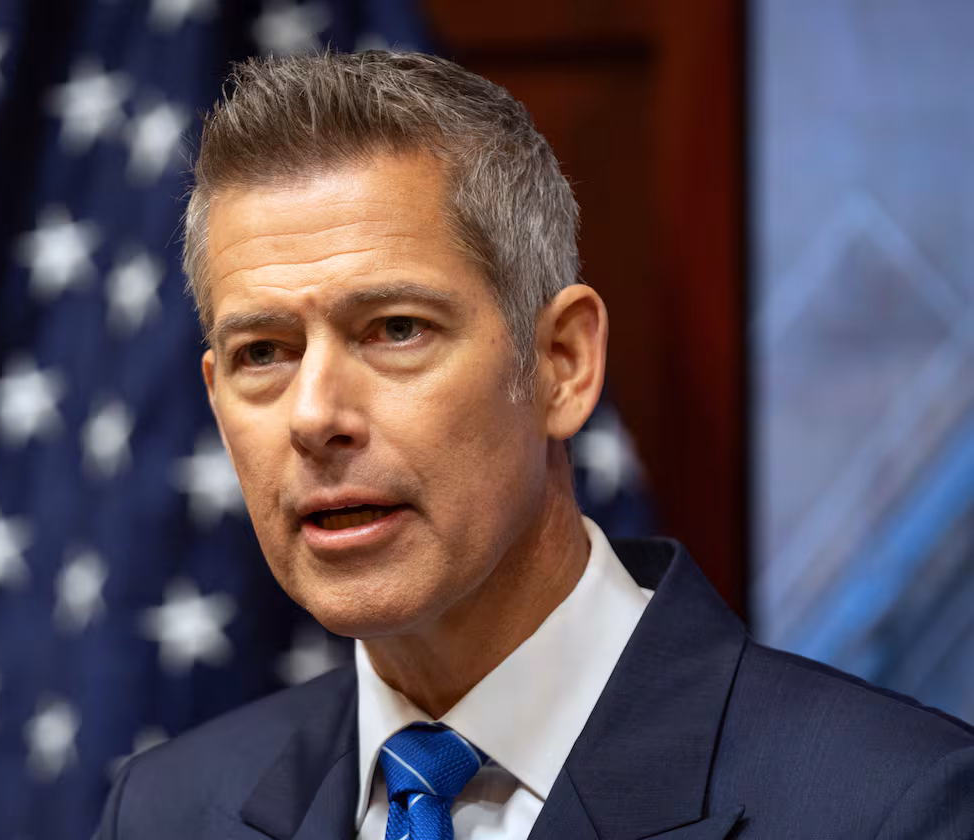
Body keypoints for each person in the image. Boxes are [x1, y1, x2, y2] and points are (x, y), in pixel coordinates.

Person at [95, 50, 974, 839]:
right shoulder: (164, 813)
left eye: (396, 329)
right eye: (263, 353)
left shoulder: (893, 806)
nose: (314, 415)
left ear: (562, 364)